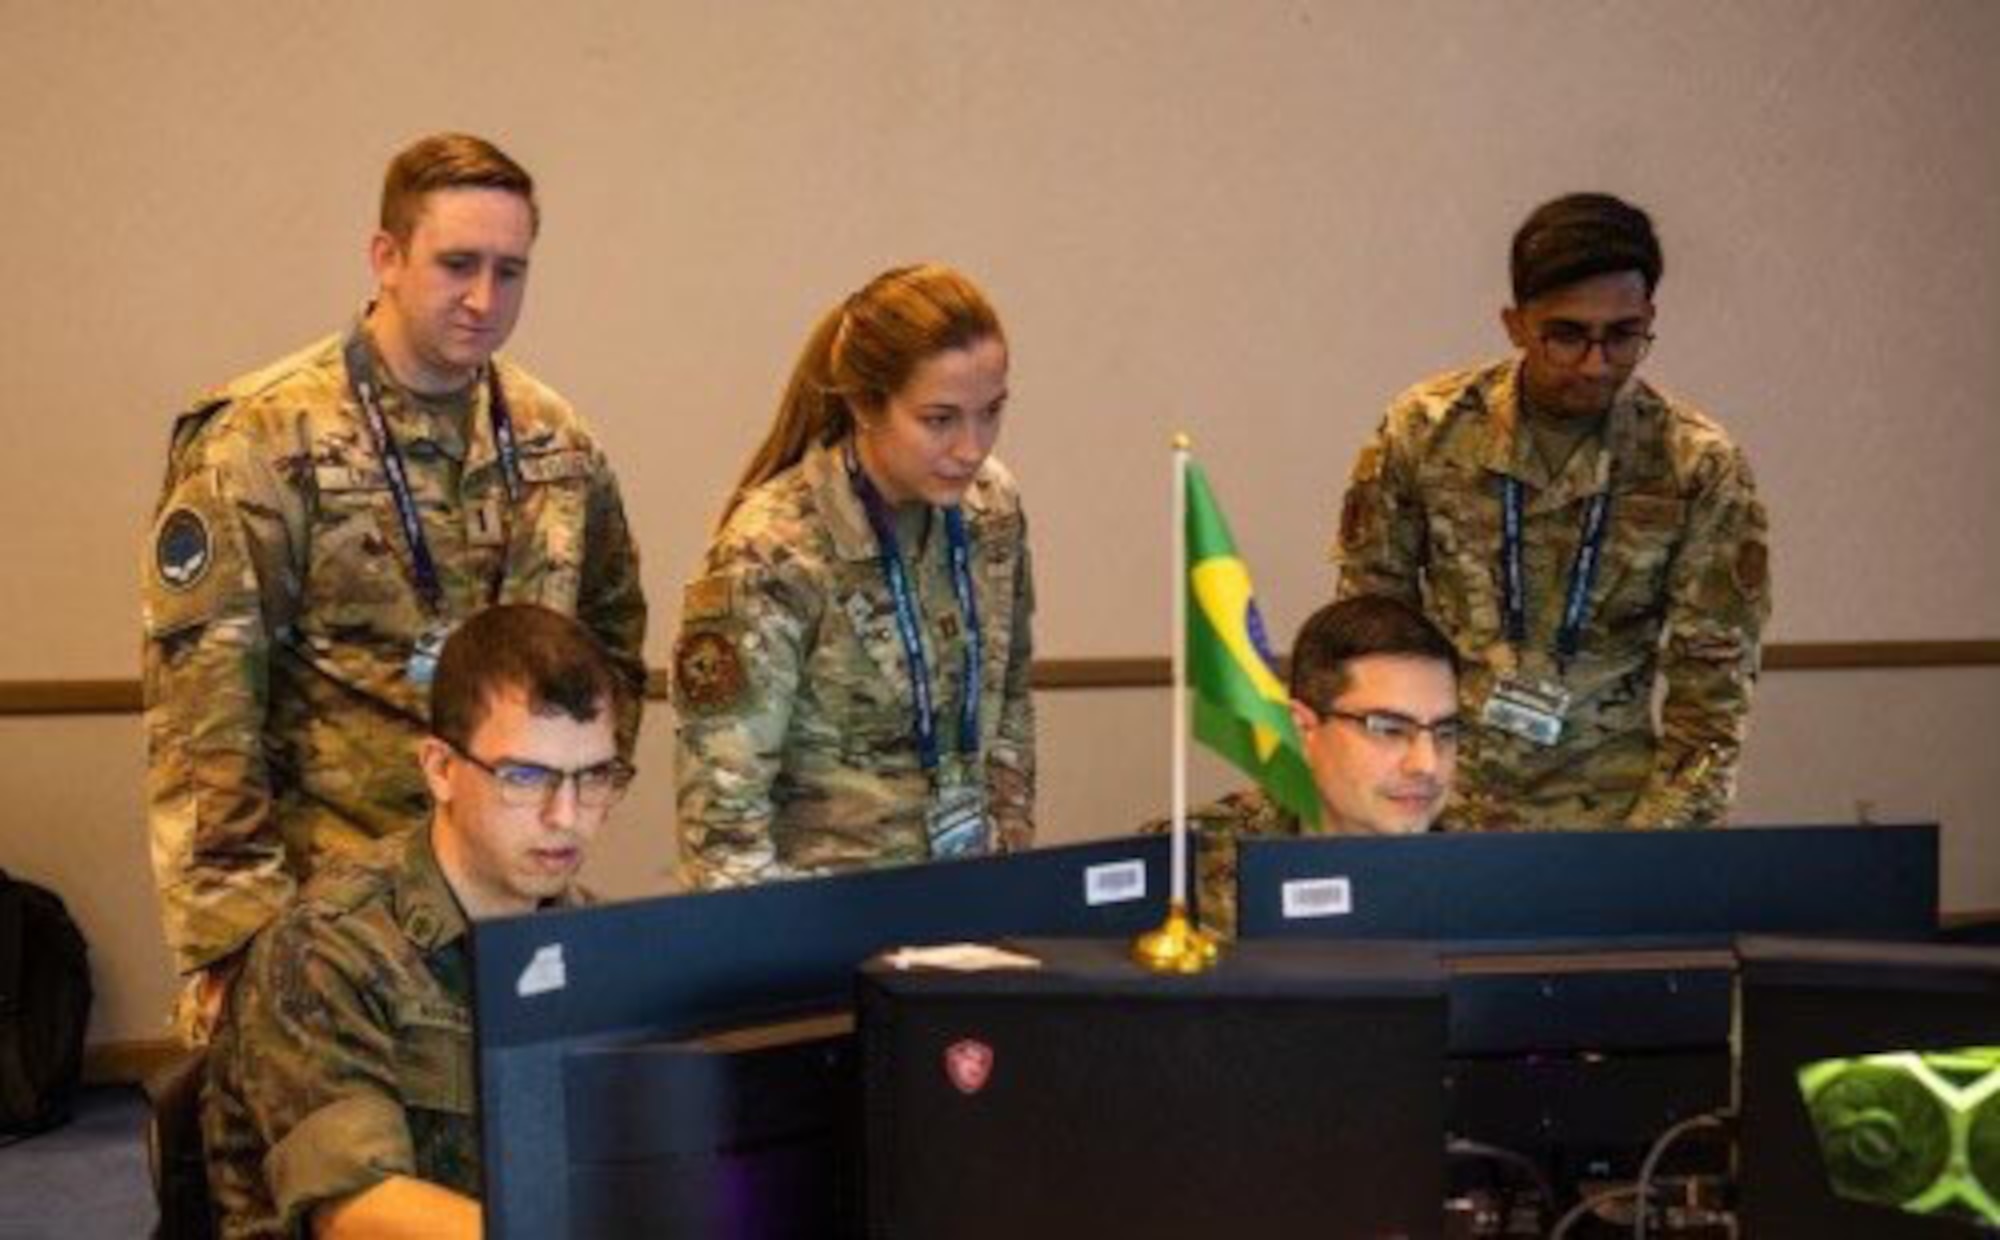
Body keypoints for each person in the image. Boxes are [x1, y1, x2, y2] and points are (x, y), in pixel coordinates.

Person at [141, 133, 647, 1044]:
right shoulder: (259, 440)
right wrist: (235, 945)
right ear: (386, 257)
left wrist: (573, 803)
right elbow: (200, 719)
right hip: (326, 913)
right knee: (338, 1174)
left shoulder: (556, 440)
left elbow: (609, 636)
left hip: (506, 904)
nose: (484, 300)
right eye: (457, 264)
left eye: (510, 271)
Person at [1333, 193, 1770, 830]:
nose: (1596, 364)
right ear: (1515, 325)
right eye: (1566, 335)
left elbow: (1713, 698)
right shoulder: (1426, 429)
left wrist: (1656, 853)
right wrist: (1375, 810)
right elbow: (1368, 631)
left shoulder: (1695, 464)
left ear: (1649, 315)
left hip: (1615, 819)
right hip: (1433, 801)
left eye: (1622, 336)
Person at [203, 604, 632, 1240]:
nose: (566, 816)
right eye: (525, 777)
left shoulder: (588, 935)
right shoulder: (328, 946)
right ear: (440, 769)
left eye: (593, 776)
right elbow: (356, 1212)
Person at [674, 262, 1036, 888]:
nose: (972, 447)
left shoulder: (991, 507)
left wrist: (1009, 870)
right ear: (867, 404)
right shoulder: (772, 549)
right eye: (940, 419)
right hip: (820, 928)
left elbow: (1010, 706)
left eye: (991, 412)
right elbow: (723, 820)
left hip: (967, 909)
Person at [1146, 595, 1460, 937]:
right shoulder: (1183, 864)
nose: (1426, 765)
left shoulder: (1487, 871)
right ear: (1302, 730)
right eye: (1389, 729)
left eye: (1445, 732)